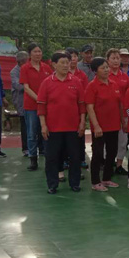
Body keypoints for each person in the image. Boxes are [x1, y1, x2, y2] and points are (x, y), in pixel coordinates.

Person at [37, 52, 86, 194]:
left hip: (73, 127)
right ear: (54, 64)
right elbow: (41, 106)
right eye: (62, 63)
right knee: (52, 158)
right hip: (53, 128)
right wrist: (43, 125)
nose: (66, 65)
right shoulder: (47, 82)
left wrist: (82, 122)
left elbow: (81, 105)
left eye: (67, 62)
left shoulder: (76, 81)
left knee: (75, 157)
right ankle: (52, 184)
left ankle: (75, 183)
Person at [85, 57, 125, 192]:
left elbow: (119, 105)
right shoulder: (92, 86)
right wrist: (96, 126)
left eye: (107, 67)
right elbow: (90, 107)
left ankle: (107, 178)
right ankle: (95, 181)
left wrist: (122, 121)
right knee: (97, 154)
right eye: (103, 68)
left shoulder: (114, 84)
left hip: (114, 125)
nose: (107, 70)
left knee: (112, 152)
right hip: (100, 127)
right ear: (95, 71)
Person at [20, 42, 53, 171]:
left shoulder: (46, 67)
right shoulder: (25, 68)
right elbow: (26, 88)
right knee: (32, 133)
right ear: (30, 54)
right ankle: (33, 159)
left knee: (46, 132)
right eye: (35, 51)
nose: (38, 54)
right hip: (31, 106)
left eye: (39, 51)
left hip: (47, 106)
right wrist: (40, 99)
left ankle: (48, 157)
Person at [107, 49, 129, 176]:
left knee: (122, 141)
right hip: (109, 114)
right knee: (109, 141)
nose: (116, 61)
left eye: (118, 58)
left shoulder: (125, 76)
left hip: (124, 114)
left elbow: (128, 95)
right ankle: (108, 164)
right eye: (113, 58)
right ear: (108, 60)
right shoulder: (104, 75)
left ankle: (119, 165)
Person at [65, 47, 90, 170]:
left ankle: (81, 158)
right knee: (65, 135)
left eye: (75, 56)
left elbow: (85, 92)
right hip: (66, 110)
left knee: (80, 133)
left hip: (79, 109)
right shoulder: (62, 74)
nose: (73, 59)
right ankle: (65, 159)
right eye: (70, 57)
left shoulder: (82, 75)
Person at [10, 50, 29, 157]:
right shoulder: (14, 72)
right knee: (25, 124)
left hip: (32, 100)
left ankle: (40, 147)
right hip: (21, 101)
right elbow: (18, 86)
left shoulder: (30, 69)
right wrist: (30, 86)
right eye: (27, 61)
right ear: (21, 62)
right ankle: (25, 148)